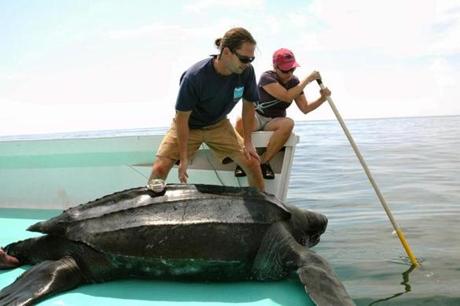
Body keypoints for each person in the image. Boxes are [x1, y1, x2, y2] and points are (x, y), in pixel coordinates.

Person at [148, 27, 264, 191]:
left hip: (219, 124)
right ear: (226, 52)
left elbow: (248, 105)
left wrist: (248, 142)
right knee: (159, 169)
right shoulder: (194, 77)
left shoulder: (246, 72)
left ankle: (263, 210)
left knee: (253, 163)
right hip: (188, 126)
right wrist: (183, 157)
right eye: (244, 58)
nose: (247, 64)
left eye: (251, 59)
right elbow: (182, 119)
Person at [234, 48, 331, 179]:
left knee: (289, 123)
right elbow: (286, 96)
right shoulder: (267, 77)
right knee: (240, 120)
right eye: (286, 70)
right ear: (275, 67)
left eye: (293, 69)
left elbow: (305, 108)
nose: (290, 73)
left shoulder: (295, 83)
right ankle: (243, 161)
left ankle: (264, 162)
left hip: (274, 121)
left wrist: (322, 99)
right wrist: (308, 80)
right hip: (257, 117)